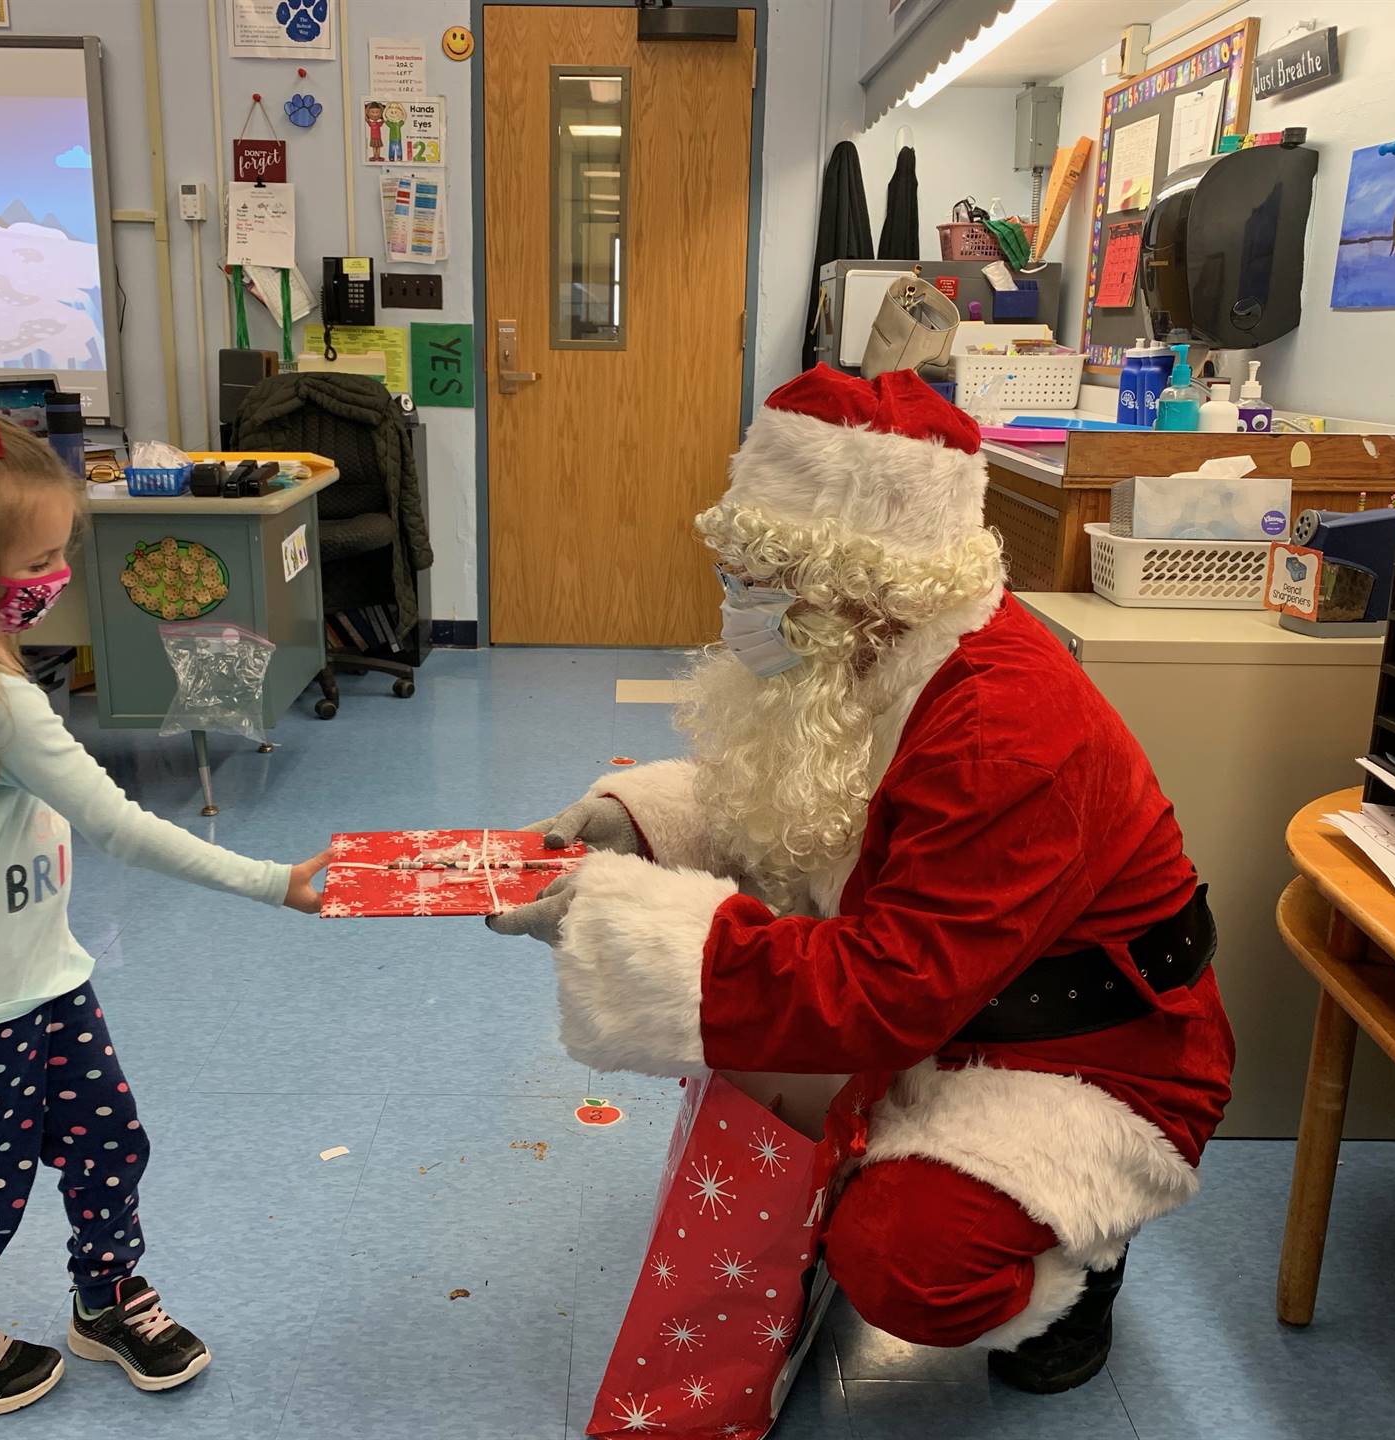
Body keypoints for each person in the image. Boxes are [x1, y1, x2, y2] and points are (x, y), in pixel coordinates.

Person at [489, 366, 1235, 1394]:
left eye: (764, 574)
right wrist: (633, 826)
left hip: (1090, 1055)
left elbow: (889, 988)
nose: (735, 597)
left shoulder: (1002, 723)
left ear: (859, 583)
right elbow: (820, 803)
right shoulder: (882, 653)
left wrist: (624, 919)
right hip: (956, 997)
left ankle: (1085, 1258)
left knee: (900, 1260)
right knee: (795, 1089)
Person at [0, 382, 329, 1416]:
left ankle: (104, 1294)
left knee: (109, 1137)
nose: (54, 580)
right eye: (33, 565)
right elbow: (121, 824)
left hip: (41, 966)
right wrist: (272, 883)